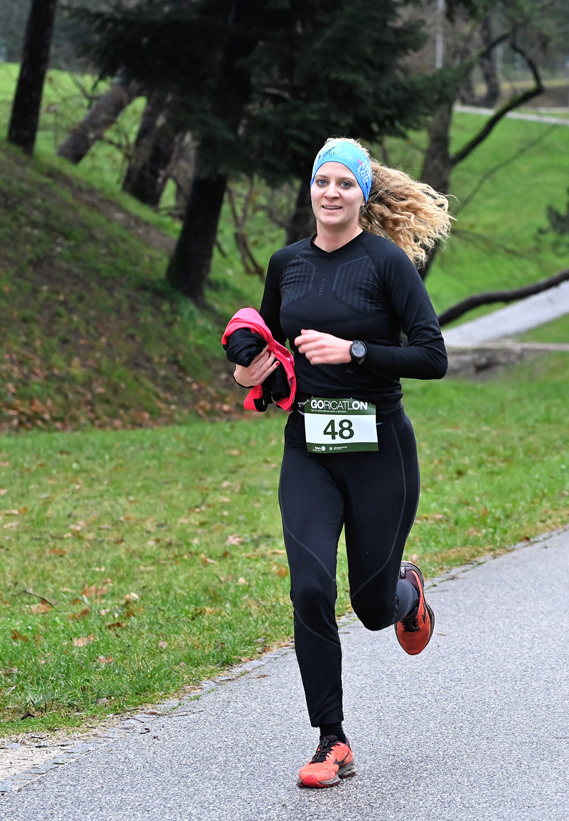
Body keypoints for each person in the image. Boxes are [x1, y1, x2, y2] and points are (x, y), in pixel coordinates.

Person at [228, 138, 452, 788]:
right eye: (322, 182)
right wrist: (250, 368)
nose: (331, 193)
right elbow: (270, 346)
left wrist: (354, 351)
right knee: (309, 587)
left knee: (372, 608)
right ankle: (332, 740)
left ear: (362, 194)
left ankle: (406, 593)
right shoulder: (287, 264)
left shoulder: (386, 263)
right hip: (309, 451)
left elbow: (432, 356)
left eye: (344, 184)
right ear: (311, 190)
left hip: (380, 451)